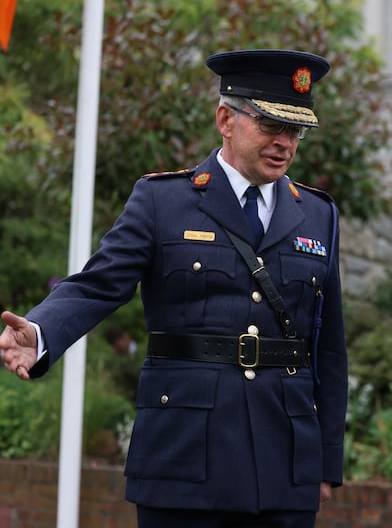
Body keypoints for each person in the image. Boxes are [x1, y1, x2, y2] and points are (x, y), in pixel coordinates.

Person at [0, 49, 348, 528]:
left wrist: (326, 462)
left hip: (283, 463)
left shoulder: (318, 214)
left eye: (295, 130)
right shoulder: (164, 201)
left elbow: (328, 349)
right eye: (270, 125)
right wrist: (39, 332)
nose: (284, 143)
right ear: (226, 118)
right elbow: (99, 284)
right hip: (185, 457)